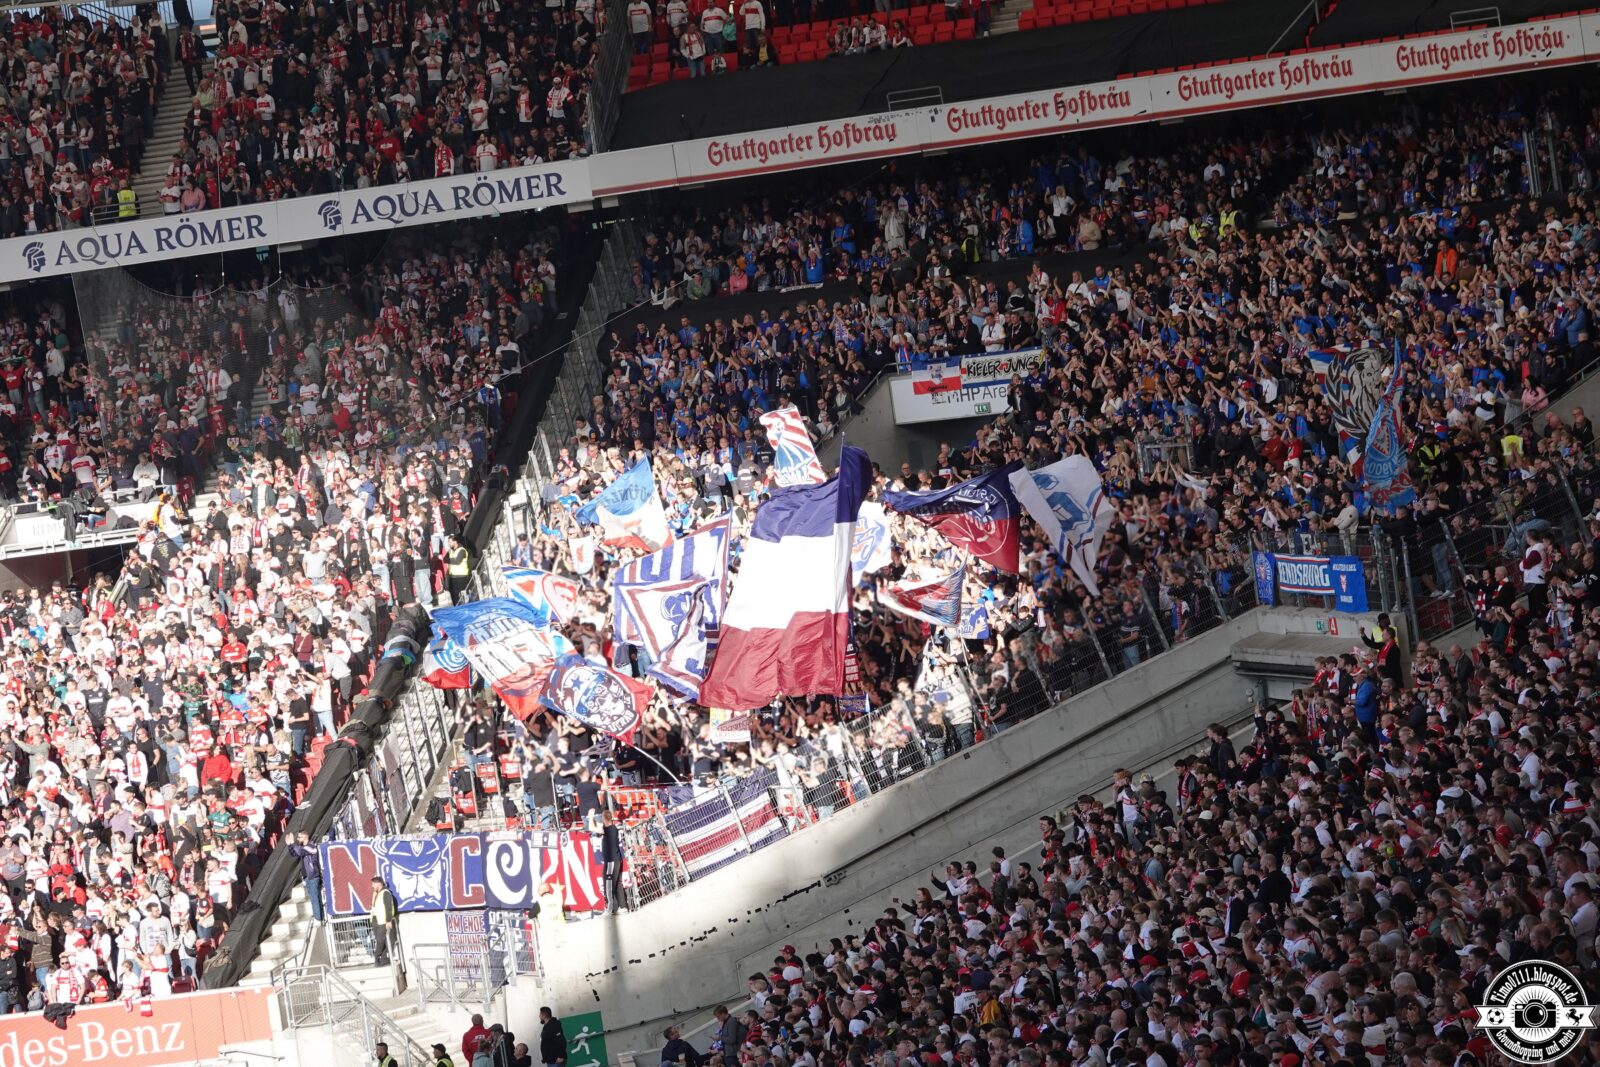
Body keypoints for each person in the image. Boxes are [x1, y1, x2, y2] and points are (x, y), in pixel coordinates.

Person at [290, 831, 325, 923]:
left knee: (314, 898)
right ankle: (318, 916)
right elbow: (294, 853)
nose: (298, 839)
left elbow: (300, 851)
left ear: (305, 837)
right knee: (313, 898)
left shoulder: (311, 847)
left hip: (313, 876)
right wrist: (290, 845)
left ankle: (319, 919)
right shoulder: (304, 848)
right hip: (307, 877)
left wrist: (293, 843)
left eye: (299, 837)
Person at [369, 875, 398, 966]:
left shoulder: (386, 893)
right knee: (381, 941)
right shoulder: (376, 893)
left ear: (378, 884)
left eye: (373, 884)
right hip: (376, 921)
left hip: (383, 921)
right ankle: (381, 959)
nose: (372, 886)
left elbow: (389, 907)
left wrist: (388, 920)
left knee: (384, 941)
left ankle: (379, 959)